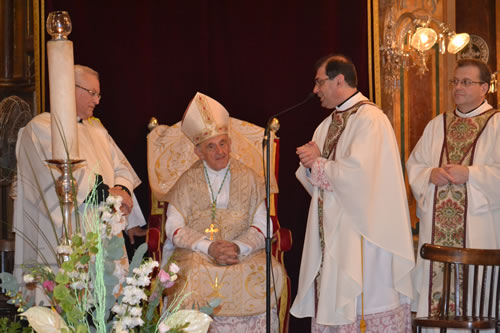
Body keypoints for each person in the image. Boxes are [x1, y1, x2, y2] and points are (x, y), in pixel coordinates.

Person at [290, 54, 415, 332]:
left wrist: (318, 163)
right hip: (334, 232)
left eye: (319, 82)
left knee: (363, 299)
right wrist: (311, 167)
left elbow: (360, 177)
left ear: (339, 80)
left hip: (365, 234)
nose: (315, 90)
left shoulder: (370, 119)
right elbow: (321, 185)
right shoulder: (327, 124)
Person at [13, 65, 147, 298]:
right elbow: (63, 177)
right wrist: (109, 194)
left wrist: (123, 191)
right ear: (68, 89)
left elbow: (121, 168)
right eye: (91, 93)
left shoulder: (97, 129)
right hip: (68, 231)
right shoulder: (42, 127)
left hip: (104, 228)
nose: (97, 100)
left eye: (98, 94)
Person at [162, 92, 284, 332]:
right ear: (198, 152)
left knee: (262, 272)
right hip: (196, 253)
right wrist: (209, 247)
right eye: (211, 146)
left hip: (242, 251)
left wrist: (239, 247)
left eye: (223, 143)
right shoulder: (186, 181)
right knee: (192, 276)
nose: (220, 151)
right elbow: (173, 227)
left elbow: (263, 224)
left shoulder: (250, 177)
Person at [407, 58, 500, 323]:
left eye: (466, 82)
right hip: (437, 239)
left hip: (478, 234)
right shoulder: (437, 124)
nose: (458, 87)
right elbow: (415, 165)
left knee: (475, 303)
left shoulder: (496, 124)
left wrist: (471, 174)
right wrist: (429, 175)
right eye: (456, 81)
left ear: (485, 88)